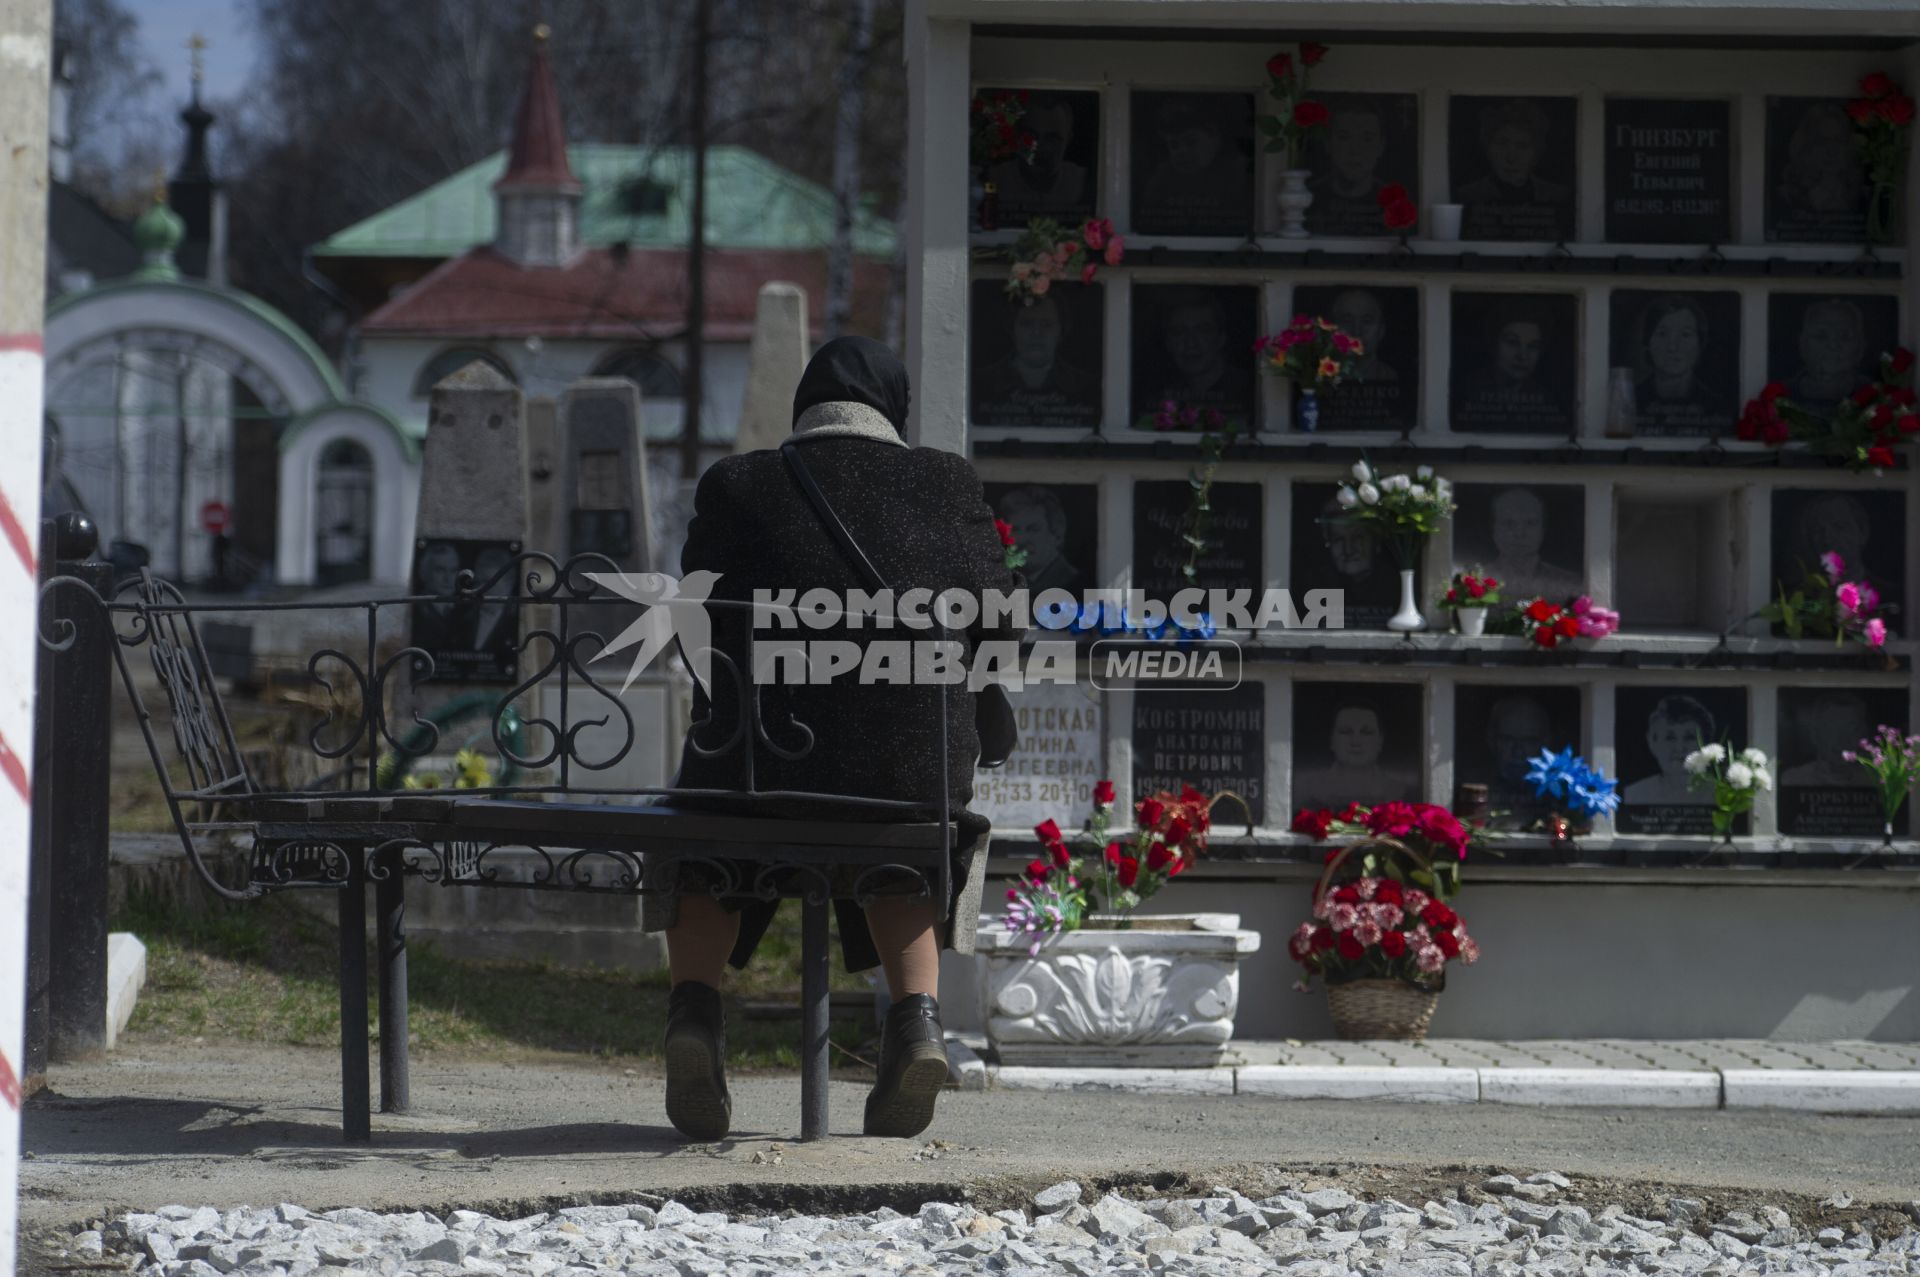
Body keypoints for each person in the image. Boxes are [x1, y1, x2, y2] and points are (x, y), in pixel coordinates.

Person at [643, 336, 1022, 1142]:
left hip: (760, 771)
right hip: (903, 772)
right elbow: (1000, 626)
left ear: (803, 407)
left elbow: (697, 632)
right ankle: (916, 1023)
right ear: (895, 411)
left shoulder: (737, 483)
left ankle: (696, 1014)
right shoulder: (946, 480)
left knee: (703, 818)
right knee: (904, 836)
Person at [972, 291, 1101, 425]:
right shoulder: (981, 383)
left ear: (1061, 331)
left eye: (1047, 324)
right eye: (1026, 323)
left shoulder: (1085, 387)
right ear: (1012, 329)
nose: (1036, 333)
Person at [1457, 98, 1574, 239]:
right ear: (1487, 148)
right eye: (1502, 143)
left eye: (1523, 146)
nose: (1511, 157)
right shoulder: (1468, 195)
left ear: (1537, 153)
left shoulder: (1557, 196)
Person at [1137, 96, 1252, 232]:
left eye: (1191, 141)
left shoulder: (1238, 173)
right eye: (1174, 145)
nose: (1182, 152)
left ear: (1214, 136)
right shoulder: (1163, 177)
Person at [1138, 288, 1252, 426]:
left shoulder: (1249, 392)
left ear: (1221, 338)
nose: (1191, 343)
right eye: (1179, 332)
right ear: (1168, 342)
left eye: (1203, 330)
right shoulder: (1159, 397)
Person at [1292, 702, 1422, 810]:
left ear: (1380, 741)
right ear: (1332, 739)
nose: (1355, 741)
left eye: (1366, 732)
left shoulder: (1400, 790)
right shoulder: (1306, 790)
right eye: (1345, 731)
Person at [1632, 294, 1725, 433]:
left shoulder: (1717, 407)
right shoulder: (1630, 403)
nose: (1672, 347)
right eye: (1662, 334)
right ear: (1648, 341)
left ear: (1700, 343)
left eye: (1685, 335)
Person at [987, 94, 1090, 217]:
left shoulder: (1082, 182)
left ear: (1068, 140)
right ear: (1017, 136)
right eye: (1031, 135)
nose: (1040, 147)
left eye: (1052, 139)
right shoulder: (996, 178)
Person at [1480, 487, 1583, 601]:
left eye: (1530, 523)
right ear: (1493, 529)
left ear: (1543, 529)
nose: (1519, 533)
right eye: (1509, 524)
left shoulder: (1570, 584)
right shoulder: (1475, 582)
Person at [1307, 98, 1392, 234]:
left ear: (1381, 147)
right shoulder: (1306, 199)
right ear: (1328, 144)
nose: (1355, 150)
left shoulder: (1393, 202)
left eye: (1367, 139)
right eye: (1344, 137)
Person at [1622, 694, 1717, 805]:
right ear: (1652, 742)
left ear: (1705, 744)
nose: (1680, 747)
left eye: (1689, 737)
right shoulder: (1634, 795)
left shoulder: (1721, 795)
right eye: (1670, 738)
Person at [1776, 102, 1866, 219]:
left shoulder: (1863, 193)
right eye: (1822, 142)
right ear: (1806, 147)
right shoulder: (1786, 195)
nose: (1831, 151)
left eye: (1837, 141)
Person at [995, 485, 1081, 595]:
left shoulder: (1073, 583)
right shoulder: (1005, 581)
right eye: (1015, 529)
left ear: (1056, 535)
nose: (1021, 539)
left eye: (1033, 529)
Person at [1788, 298, 1870, 409]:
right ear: (1802, 343)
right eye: (1821, 336)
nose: (1833, 345)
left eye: (1844, 336)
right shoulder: (1783, 395)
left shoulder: (1875, 396)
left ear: (1861, 346)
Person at [1781, 693, 1874, 786]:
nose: (1842, 740)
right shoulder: (1793, 780)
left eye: (1851, 730)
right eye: (1833, 729)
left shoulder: (1874, 781)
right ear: (1816, 734)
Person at [1485, 695, 1554, 814]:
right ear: (1492, 740)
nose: (1518, 752)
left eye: (1529, 742)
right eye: (1508, 740)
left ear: (1546, 742)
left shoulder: (1559, 794)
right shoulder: (1477, 782)